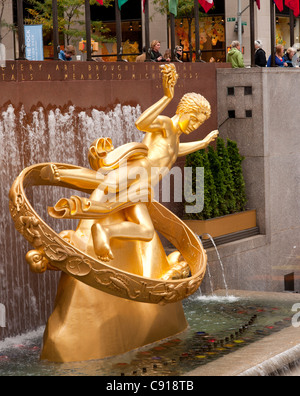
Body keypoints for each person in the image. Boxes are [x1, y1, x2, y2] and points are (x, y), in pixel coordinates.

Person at [45, 64, 218, 262]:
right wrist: (167, 97)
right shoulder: (165, 124)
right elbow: (141, 123)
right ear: (183, 111)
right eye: (194, 119)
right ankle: (82, 233)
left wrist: (202, 143)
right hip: (138, 171)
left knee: (145, 230)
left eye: (200, 124)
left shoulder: (175, 139)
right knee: (104, 190)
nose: (195, 125)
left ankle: (105, 231)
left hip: (143, 188)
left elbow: (175, 152)